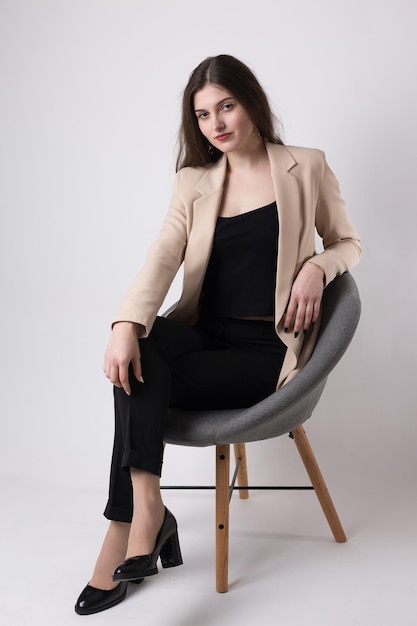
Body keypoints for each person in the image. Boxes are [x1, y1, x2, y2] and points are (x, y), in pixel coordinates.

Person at [75, 54, 361, 615]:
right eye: (203, 115)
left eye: (226, 106)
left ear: (251, 103)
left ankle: (124, 529)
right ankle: (147, 509)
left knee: (138, 380)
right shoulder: (195, 182)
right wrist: (125, 325)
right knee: (139, 349)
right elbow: (163, 256)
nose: (217, 124)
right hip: (205, 336)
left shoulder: (306, 166)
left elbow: (349, 243)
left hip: (264, 350)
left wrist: (317, 267)